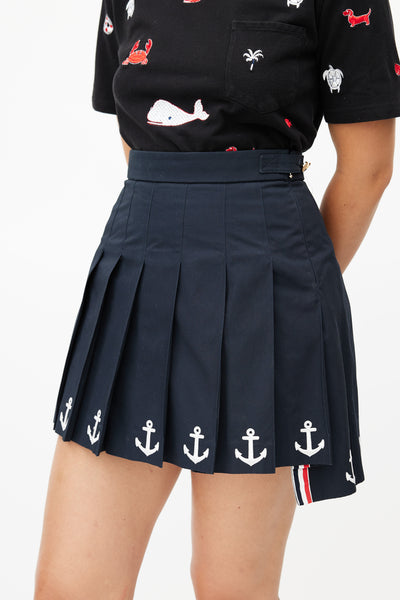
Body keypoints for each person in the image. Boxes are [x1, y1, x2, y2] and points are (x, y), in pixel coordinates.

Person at [34, 1, 400, 599]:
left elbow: (370, 167)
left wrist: (289, 299)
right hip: (139, 275)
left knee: (230, 587)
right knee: (70, 586)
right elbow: (139, 133)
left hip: (265, 283)